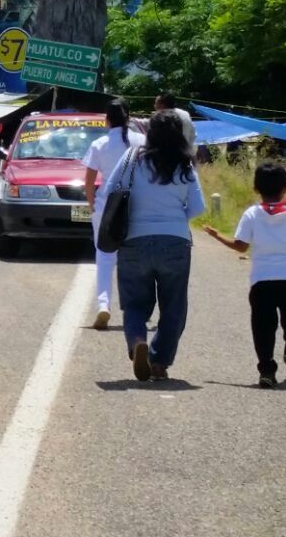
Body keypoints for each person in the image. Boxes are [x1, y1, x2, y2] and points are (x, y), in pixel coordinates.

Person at [99, 111, 206, 382]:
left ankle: (138, 341)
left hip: (134, 240)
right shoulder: (185, 165)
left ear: (150, 133)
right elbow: (197, 208)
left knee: (134, 303)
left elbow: (110, 191)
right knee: (174, 306)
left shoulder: (132, 158)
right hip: (175, 242)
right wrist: (174, 216)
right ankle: (159, 361)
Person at [203, 163, 286, 387]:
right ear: (285, 187)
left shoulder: (252, 214)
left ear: (256, 188)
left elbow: (241, 246)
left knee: (263, 327)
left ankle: (267, 371)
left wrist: (217, 235)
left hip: (261, 280)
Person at [82, 99, 147, 330]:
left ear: (106, 120)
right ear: (128, 118)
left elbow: (89, 180)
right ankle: (137, 308)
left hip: (106, 206)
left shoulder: (99, 144)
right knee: (136, 259)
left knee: (104, 257)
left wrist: (92, 204)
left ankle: (103, 305)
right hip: (137, 205)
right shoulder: (142, 141)